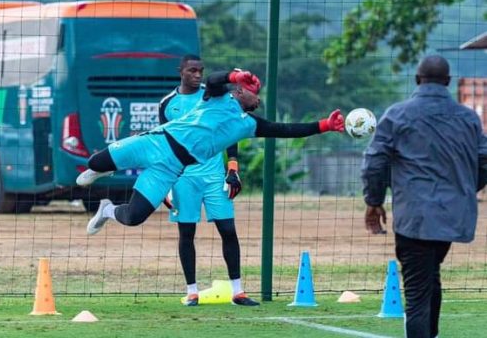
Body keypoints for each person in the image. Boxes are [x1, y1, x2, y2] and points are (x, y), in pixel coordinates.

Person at [77, 68, 344, 236]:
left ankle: (107, 211)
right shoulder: (216, 97)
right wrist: (233, 75)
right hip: (157, 142)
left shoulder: (249, 125)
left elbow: (286, 129)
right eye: (255, 93)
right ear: (239, 91)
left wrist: (324, 125)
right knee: (93, 163)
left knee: (134, 217)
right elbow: (214, 81)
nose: (259, 98)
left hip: (171, 168)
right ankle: (109, 167)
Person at [361, 55, 487, 338]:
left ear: (417, 80)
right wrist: (464, 189)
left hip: (414, 216)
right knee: (430, 276)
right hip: (452, 216)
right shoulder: (468, 118)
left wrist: (374, 200)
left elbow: (374, 161)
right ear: (448, 82)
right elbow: (484, 160)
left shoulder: (397, 115)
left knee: (417, 293)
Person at [159, 55, 255, 306]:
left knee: (228, 230)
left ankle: (238, 291)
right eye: (192, 70)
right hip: (184, 178)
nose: (198, 75)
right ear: (181, 71)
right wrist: (165, 185)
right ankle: (192, 292)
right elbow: (165, 145)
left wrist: (232, 167)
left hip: (214, 176)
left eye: (201, 70)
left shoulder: (214, 95)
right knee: (187, 232)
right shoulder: (167, 104)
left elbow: (229, 129)